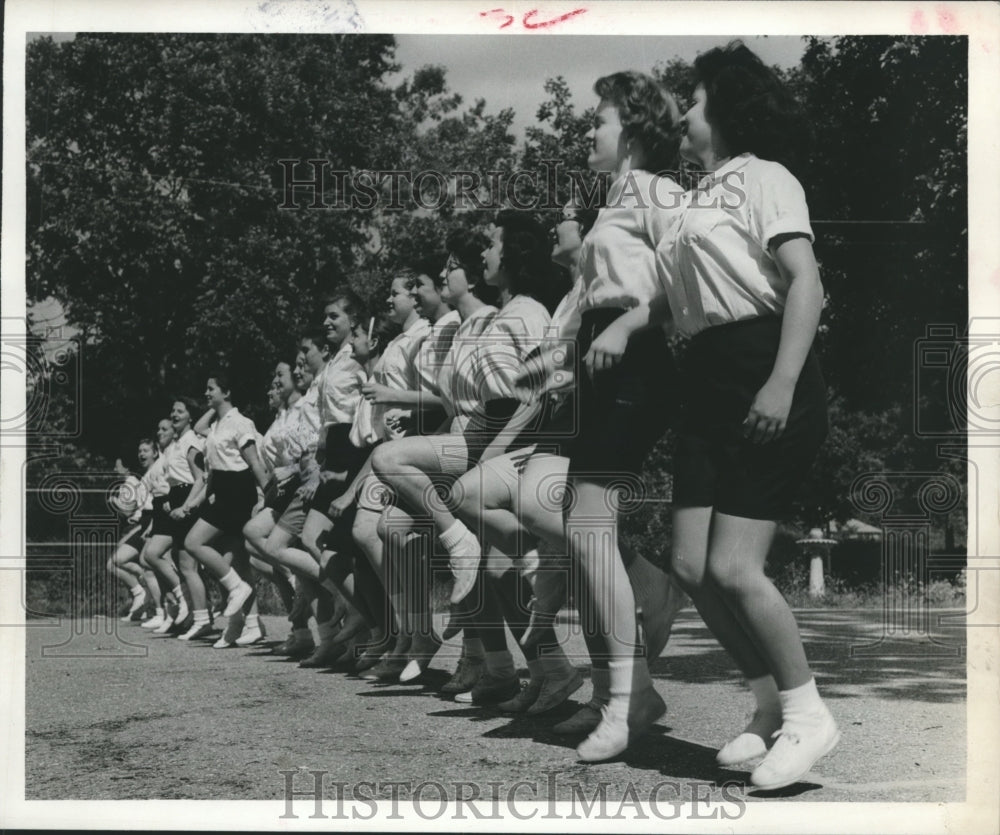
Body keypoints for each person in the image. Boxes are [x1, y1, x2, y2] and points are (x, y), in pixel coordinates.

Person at [597, 42, 837, 789]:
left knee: (736, 566)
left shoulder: (766, 178)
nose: (684, 113)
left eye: (693, 100)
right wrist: (629, 321)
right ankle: (768, 703)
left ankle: (807, 714)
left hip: (761, 366)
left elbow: (805, 284)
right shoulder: (698, 198)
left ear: (725, 109)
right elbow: (677, 293)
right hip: (704, 376)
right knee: (695, 565)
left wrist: (781, 382)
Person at [526, 71, 686, 762]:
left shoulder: (653, 189)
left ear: (636, 130)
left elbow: (688, 277)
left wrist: (625, 331)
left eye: (601, 118)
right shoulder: (616, 197)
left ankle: (627, 698)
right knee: (564, 512)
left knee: (588, 520)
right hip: (598, 359)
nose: (590, 130)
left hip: (636, 357)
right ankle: (634, 667)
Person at [184, 372, 270, 649]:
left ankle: (236, 588)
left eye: (211, 389)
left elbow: (255, 463)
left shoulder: (241, 423)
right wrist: (215, 409)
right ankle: (251, 624)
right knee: (236, 559)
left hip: (236, 491)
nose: (205, 393)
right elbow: (199, 426)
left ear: (227, 391)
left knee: (193, 543)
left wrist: (267, 495)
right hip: (221, 489)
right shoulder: (219, 423)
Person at [163, 396, 212, 640]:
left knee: (187, 564)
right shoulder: (177, 442)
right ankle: (199, 614)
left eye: (180, 411)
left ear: (190, 416)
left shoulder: (191, 441)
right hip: (177, 496)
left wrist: (186, 507)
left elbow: (201, 478)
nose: (174, 415)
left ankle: (202, 619)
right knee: (181, 561)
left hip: (187, 498)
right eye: (173, 410)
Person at [108, 441, 158, 622]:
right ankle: (144, 604)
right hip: (140, 523)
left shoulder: (130, 482)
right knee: (136, 563)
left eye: (117, 466)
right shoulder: (137, 480)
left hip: (138, 524)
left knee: (115, 562)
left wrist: (114, 502)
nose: (115, 469)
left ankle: (143, 595)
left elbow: (129, 510)